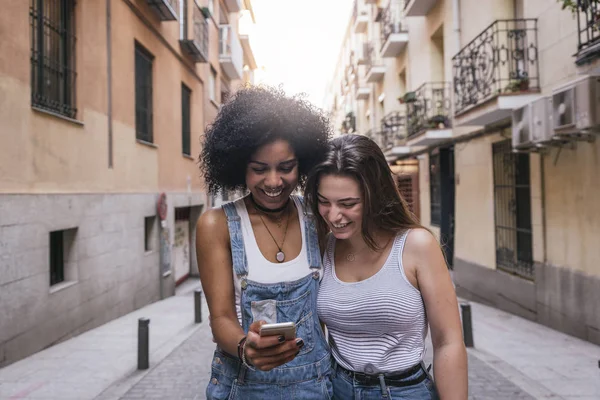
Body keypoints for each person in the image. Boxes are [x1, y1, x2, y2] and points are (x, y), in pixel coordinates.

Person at [304, 134, 468, 400]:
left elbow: (448, 342)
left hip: (403, 392)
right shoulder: (323, 247)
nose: (334, 215)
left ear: (375, 196)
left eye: (348, 204)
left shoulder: (417, 245)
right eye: (324, 202)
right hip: (336, 389)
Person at [196, 86, 333, 399]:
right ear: (239, 166)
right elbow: (221, 320)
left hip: (314, 385)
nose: (274, 182)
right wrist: (247, 348)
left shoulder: (316, 216)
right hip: (243, 386)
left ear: (302, 164)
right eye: (259, 169)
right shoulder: (215, 225)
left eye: (286, 167)